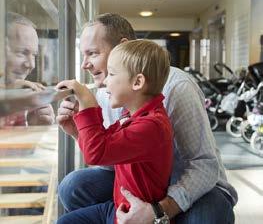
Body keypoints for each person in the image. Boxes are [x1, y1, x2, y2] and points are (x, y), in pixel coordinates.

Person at [57, 13, 238, 224]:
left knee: (206, 218)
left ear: (122, 47)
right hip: (143, 182)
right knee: (72, 187)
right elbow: (110, 157)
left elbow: (204, 166)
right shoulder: (106, 94)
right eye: (83, 55)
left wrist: (158, 211)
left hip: (194, 185)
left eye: (93, 53)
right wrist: (78, 132)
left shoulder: (177, 87)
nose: (84, 65)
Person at [56, 40, 173, 223]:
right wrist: (77, 131)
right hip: (119, 206)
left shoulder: (152, 126)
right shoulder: (133, 115)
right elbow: (103, 147)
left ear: (137, 82)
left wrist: (88, 103)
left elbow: (96, 153)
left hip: (136, 216)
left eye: (111, 74)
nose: (105, 80)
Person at [1, 12, 54, 126]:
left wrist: (35, 126)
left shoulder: (22, 98)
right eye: (22, 53)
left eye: (34, 55)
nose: (31, 65)